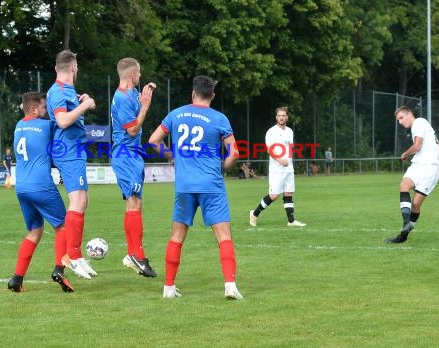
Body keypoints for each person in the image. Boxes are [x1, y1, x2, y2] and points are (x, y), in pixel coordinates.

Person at [148, 75, 243, 299]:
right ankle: (230, 285)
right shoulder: (219, 118)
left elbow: (153, 141)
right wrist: (223, 168)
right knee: (223, 235)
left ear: (192, 93)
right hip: (211, 184)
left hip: (184, 185)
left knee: (177, 235)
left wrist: (172, 156)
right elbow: (234, 153)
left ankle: (168, 287)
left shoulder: (176, 114)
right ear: (213, 95)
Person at [8, 91, 75, 293]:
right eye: (44, 108)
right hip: (41, 186)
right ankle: (59, 269)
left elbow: (25, 108)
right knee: (63, 226)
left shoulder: (19, 126)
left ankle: (16, 279)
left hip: (22, 188)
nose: (47, 112)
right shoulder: (46, 125)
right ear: (35, 108)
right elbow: (65, 122)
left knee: (34, 232)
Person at [46, 50, 97, 280]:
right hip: (67, 151)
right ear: (73, 67)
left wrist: (81, 101)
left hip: (75, 150)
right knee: (76, 200)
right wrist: (85, 106)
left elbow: (68, 114)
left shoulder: (68, 91)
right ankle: (71, 256)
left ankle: (74, 254)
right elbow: (63, 120)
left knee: (82, 201)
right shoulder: (57, 90)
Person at [110, 57, 157, 278]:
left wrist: (144, 98)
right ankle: (136, 255)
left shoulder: (129, 95)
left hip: (133, 154)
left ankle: (134, 254)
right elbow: (131, 129)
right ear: (131, 75)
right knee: (133, 203)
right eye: (139, 73)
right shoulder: (121, 97)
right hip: (125, 154)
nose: (140, 76)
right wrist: (145, 107)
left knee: (135, 203)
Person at [384, 106, 439, 244]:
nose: (400, 122)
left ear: (409, 114)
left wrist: (405, 154)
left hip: (430, 169)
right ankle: (406, 225)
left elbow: (417, 146)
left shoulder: (418, 122)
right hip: (418, 165)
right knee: (404, 185)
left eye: (401, 118)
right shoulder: (424, 126)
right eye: (398, 120)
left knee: (416, 204)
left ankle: (404, 234)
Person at [249, 106, 306, 228]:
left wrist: (288, 162)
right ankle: (254, 213)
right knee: (274, 195)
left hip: (289, 168)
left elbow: (289, 149)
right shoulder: (271, 132)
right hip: (276, 169)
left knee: (288, 193)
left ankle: (291, 221)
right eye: (279, 116)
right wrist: (280, 160)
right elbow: (269, 149)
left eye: (283, 115)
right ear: (276, 117)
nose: (281, 117)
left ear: (287, 117)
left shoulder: (290, 131)